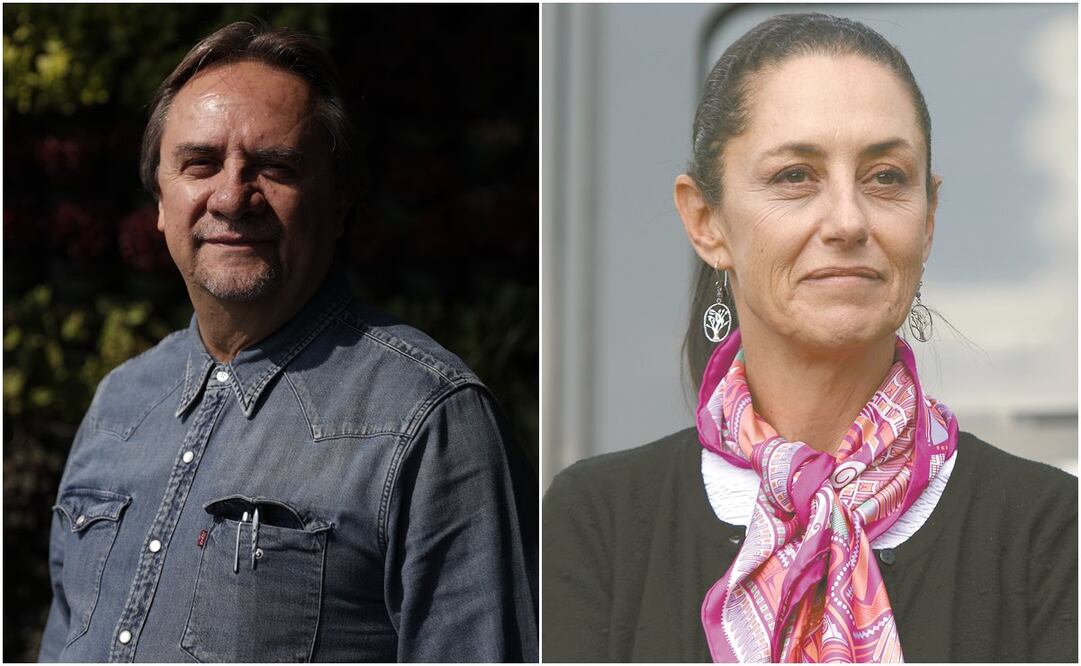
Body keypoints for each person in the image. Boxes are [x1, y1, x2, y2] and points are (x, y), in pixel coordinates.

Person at [543, 12, 1076, 663]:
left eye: (885, 177)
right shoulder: (602, 519)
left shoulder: (1048, 527)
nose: (847, 220)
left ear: (928, 219)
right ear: (704, 221)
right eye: (795, 176)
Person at [39, 22, 537, 663]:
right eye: (199, 164)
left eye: (275, 167)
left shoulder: (430, 423)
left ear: (339, 202)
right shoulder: (119, 406)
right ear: (159, 201)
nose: (232, 197)